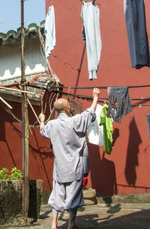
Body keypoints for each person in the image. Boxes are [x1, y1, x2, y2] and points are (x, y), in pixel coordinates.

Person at [39, 88, 100, 229]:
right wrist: (95, 97)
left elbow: (42, 131)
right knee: (73, 196)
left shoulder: (52, 125)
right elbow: (89, 113)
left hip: (59, 168)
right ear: (67, 108)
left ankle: (54, 224)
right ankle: (71, 224)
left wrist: (42, 120)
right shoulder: (75, 121)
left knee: (57, 195)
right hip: (74, 167)